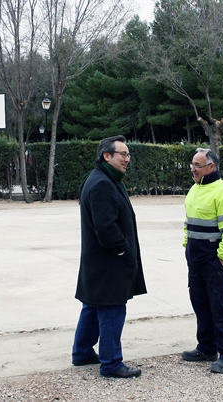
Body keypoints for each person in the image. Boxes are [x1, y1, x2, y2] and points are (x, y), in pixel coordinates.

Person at [71, 135, 147, 379]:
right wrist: (123, 250)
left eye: (128, 154)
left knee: (92, 306)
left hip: (98, 263)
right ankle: (112, 363)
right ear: (107, 156)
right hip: (109, 263)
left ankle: (82, 353)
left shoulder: (102, 178)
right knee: (112, 310)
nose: (127, 159)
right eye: (122, 154)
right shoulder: (103, 183)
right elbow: (105, 227)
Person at [181, 147, 223, 374]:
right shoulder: (195, 190)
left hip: (214, 262)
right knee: (201, 305)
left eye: (197, 165)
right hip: (196, 261)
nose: (193, 169)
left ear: (211, 167)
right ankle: (207, 348)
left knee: (221, 308)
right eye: (192, 164)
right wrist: (186, 245)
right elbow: (189, 222)